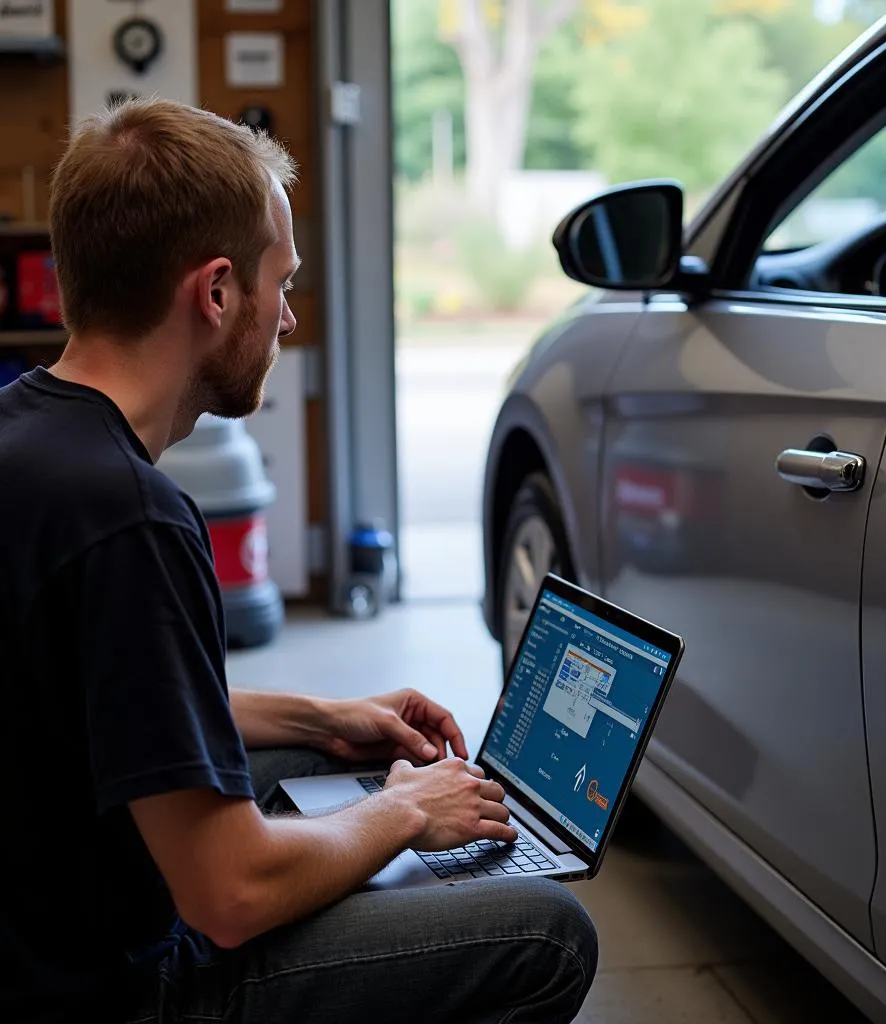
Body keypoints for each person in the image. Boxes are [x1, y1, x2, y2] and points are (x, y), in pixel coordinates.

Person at [0, 98, 598, 1024]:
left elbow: (95, 702)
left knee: (301, 762)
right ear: (216, 292)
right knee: (549, 934)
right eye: (283, 283)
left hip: (34, 923)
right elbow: (228, 896)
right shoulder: (132, 517)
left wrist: (323, 718)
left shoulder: (26, 438)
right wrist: (405, 811)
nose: (285, 319)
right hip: (109, 986)